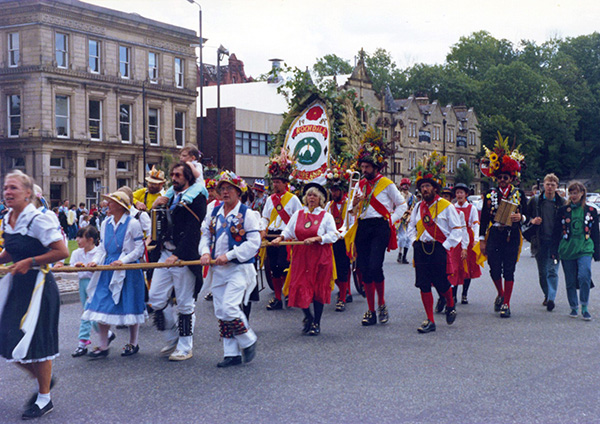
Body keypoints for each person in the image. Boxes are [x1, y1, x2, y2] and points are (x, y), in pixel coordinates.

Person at [0, 170, 69, 420]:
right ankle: (45, 380)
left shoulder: (39, 219)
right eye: (6, 187)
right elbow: (11, 249)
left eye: (14, 188)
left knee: (38, 343)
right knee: (7, 340)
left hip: (39, 288)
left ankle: (44, 398)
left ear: (28, 193)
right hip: (17, 287)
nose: (8, 192)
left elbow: (62, 251)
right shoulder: (8, 217)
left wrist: (30, 261)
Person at [199, 171, 260, 367]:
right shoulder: (213, 212)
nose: (225, 193)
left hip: (239, 268)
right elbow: (205, 236)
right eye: (222, 189)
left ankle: (248, 340)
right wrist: (205, 253)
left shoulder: (247, 214)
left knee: (230, 307)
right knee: (220, 311)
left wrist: (230, 255)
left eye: (229, 189)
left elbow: (254, 243)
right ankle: (231, 353)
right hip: (218, 270)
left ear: (238, 191)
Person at [347, 128, 407, 326]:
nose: (364, 170)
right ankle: (371, 310)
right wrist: (355, 203)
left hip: (380, 227)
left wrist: (391, 220)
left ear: (375, 167)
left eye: (367, 167)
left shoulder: (387, 183)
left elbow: (402, 205)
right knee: (364, 269)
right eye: (362, 166)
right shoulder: (359, 185)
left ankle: (381, 304)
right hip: (363, 226)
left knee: (375, 267)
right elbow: (351, 211)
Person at [148, 162, 206, 361]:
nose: (174, 178)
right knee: (155, 298)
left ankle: (185, 345)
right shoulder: (168, 197)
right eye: (172, 174)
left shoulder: (197, 198)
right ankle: (172, 336)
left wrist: (179, 254)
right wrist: (155, 207)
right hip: (165, 253)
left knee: (184, 303)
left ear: (187, 177)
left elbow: (193, 231)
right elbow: (157, 225)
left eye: (178, 175)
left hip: (184, 256)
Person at [81, 191, 147, 358]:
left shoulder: (133, 223)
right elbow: (102, 247)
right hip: (108, 268)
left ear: (120, 205)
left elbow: (139, 248)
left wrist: (123, 261)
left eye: (110, 202)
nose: (107, 204)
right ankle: (103, 346)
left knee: (129, 304)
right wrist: (95, 260)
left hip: (129, 269)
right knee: (100, 303)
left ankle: (133, 343)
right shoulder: (105, 223)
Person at [272, 182, 339, 335]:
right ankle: (308, 316)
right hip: (301, 256)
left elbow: (334, 235)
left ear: (320, 198)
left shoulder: (326, 216)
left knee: (317, 289)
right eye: (309, 194)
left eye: (314, 195)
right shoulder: (298, 214)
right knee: (299, 285)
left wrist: (318, 238)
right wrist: (280, 238)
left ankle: (317, 323)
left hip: (320, 255)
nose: (311, 198)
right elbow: (288, 230)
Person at [407, 154, 462, 333]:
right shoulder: (417, 207)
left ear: (435, 188)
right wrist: (413, 241)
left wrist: (445, 246)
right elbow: (410, 226)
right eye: (422, 186)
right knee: (423, 284)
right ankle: (430, 320)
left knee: (441, 282)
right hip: (421, 248)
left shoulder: (446, 206)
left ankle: (450, 303)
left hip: (439, 248)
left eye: (427, 186)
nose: (424, 189)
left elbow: (457, 230)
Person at [479, 134, 526, 318]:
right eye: (500, 177)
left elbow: (528, 215)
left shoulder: (519, 194)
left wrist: (520, 216)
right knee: (493, 268)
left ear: (512, 178)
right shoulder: (490, 195)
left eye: (506, 177)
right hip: (495, 234)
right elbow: (483, 218)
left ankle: (506, 303)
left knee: (509, 269)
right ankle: (500, 293)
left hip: (512, 234)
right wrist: (482, 239)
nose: (502, 180)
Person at [55, 226, 114, 357]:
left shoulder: (98, 253)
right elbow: (71, 267)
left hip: (95, 284)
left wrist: (90, 267)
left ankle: (82, 343)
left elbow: (98, 268)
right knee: (89, 313)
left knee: (87, 313)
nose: (77, 240)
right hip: (82, 284)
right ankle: (107, 334)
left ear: (91, 240)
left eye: (81, 237)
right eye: (77, 237)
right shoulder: (77, 253)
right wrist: (65, 266)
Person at [260, 150, 302, 310]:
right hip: (271, 236)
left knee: (283, 265)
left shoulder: (293, 199)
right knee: (273, 268)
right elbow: (264, 217)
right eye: (274, 181)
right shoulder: (270, 200)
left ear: (285, 183)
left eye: (278, 182)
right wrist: (262, 229)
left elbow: (298, 219)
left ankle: (287, 293)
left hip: (286, 238)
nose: (275, 184)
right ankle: (278, 297)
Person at [552, 182, 600, 320]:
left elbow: (595, 232)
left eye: (576, 193)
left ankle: (584, 306)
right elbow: (556, 232)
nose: (573, 196)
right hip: (567, 248)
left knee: (584, 275)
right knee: (570, 280)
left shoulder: (591, 210)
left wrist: (597, 251)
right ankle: (574, 306)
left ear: (582, 193)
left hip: (585, 247)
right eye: (571, 193)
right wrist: (554, 250)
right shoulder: (563, 210)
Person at [526, 174, 565, 310]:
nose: (550, 187)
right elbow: (525, 217)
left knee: (552, 271)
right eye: (548, 184)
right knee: (542, 272)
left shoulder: (562, 202)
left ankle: (551, 299)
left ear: (557, 187)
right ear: (543, 185)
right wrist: (532, 220)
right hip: (540, 241)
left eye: (553, 184)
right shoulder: (535, 201)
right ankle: (547, 294)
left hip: (556, 243)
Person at [324, 166, 353, 311]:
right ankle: (344, 290)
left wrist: (340, 235)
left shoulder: (349, 204)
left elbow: (351, 224)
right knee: (331, 269)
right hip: (332, 241)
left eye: (336, 190)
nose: (333, 193)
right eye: (332, 190)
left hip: (344, 240)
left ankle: (342, 297)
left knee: (342, 269)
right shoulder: (328, 206)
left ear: (342, 190)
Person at [453, 183, 482, 304]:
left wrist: (476, 239)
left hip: (468, 239)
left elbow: (475, 224)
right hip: (455, 239)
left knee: (467, 267)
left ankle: (464, 293)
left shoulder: (472, 208)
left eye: (461, 193)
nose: (459, 195)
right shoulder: (452, 207)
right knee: (455, 267)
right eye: (457, 192)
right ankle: (453, 295)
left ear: (466, 194)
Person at [396, 178, 416, 264]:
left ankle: (404, 256)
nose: (406, 187)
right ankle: (400, 253)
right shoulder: (398, 195)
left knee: (408, 238)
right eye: (404, 185)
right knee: (402, 237)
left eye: (407, 185)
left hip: (409, 218)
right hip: (400, 218)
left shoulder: (412, 197)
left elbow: (414, 207)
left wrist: (411, 212)